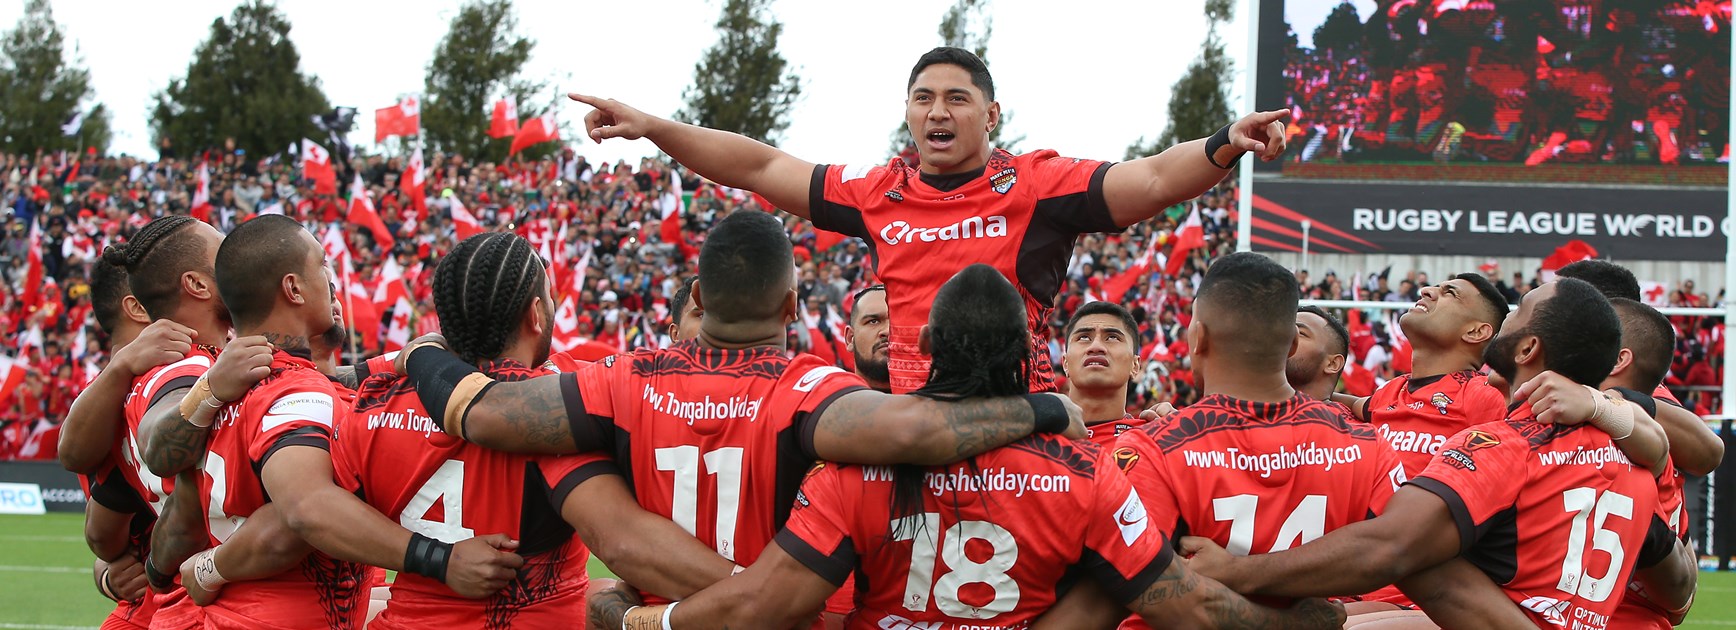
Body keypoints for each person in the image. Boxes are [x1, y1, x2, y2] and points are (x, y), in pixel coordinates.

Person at [399, 211, 1086, 620]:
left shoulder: (623, 377)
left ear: (698, 293)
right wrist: (1043, 406)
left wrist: (418, 353)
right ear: (792, 307)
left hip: (666, 616)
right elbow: (920, 432)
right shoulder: (812, 386)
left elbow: (482, 413)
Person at [590, 264, 1346, 630]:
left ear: (929, 349)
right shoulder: (1091, 475)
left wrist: (637, 621)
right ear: (1029, 357)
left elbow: (759, 604)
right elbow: (1191, 606)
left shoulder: (852, 474)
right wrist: (1295, 624)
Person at [569, 46, 1291, 393]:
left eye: (955, 97)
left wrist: (1227, 143)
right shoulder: (877, 189)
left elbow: (1157, 178)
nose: (937, 111)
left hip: (1019, 406)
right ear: (908, 112)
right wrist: (653, 126)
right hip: (911, 408)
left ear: (991, 113)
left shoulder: (1038, 182)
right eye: (922, 98)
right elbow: (761, 168)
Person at [1183, 278, 1677, 629]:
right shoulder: (1629, 459)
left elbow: (1389, 549)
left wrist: (1234, 570)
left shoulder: (1501, 439)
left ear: (1525, 349)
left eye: (1517, 312)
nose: (1503, 320)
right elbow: (1680, 591)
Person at [186, 215, 520, 629]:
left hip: (232, 610)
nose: (331, 280)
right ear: (293, 288)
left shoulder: (224, 386)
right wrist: (441, 560)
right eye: (322, 265)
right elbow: (307, 508)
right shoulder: (298, 392)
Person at [1335, 274, 1510, 482]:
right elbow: (1351, 403)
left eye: (1450, 293)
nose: (1426, 290)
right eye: (1436, 286)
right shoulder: (1392, 390)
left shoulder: (1484, 394)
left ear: (1475, 332)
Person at [1060, 301, 1147, 446]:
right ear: (1065, 363)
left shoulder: (1156, 441)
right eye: (1084, 337)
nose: (1096, 347)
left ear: (1135, 365)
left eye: (1112, 337)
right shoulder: (1034, 439)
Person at [1286, 305, 1349, 404]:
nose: (1283, 336)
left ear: (1332, 364)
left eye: (1301, 333)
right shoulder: (1258, 410)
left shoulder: (1341, 418)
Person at [844, 285, 889, 392]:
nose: (887, 331)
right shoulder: (827, 405)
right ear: (850, 338)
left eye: (898, 320)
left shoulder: (934, 404)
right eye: (873, 321)